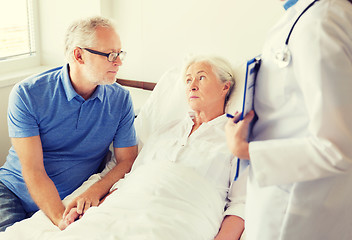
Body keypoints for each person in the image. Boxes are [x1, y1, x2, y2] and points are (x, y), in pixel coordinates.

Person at [47, 56, 246, 240]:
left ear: (225, 87)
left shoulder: (236, 138)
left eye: (201, 78)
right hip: (125, 207)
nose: (192, 86)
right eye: (187, 80)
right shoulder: (166, 130)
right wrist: (91, 211)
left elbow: (240, 205)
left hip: (182, 217)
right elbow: (132, 178)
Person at [225, 0, 352, 239]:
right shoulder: (305, 16)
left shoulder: (321, 22)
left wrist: (245, 149)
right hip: (287, 200)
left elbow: (338, 146)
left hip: (296, 211)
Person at [0, 16, 138, 231]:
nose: (118, 62)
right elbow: (33, 170)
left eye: (120, 54)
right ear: (78, 55)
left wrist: (95, 191)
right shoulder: (28, 94)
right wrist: (59, 219)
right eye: (110, 55)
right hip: (12, 193)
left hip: (71, 200)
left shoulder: (120, 100)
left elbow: (127, 160)